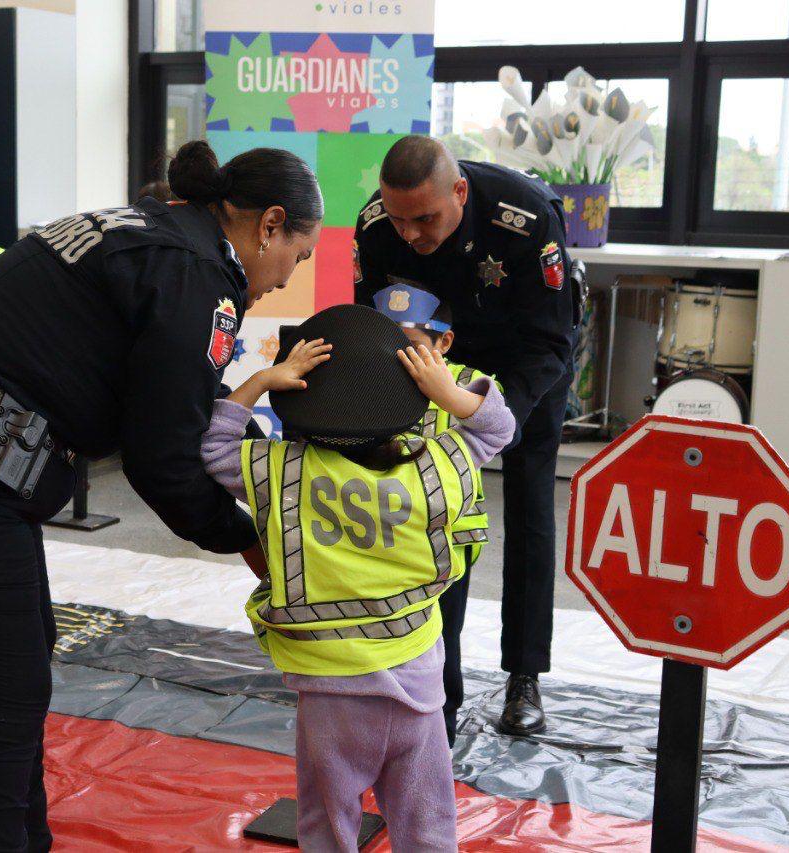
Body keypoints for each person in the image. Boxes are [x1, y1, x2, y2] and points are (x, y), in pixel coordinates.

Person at [0, 140, 323, 851]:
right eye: (297, 258)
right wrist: (250, 539)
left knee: (17, 673)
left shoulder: (146, 227)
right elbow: (165, 462)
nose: (284, 280)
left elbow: (174, 405)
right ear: (269, 224)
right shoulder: (197, 273)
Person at [200, 305, 514, 850]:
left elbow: (214, 445)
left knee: (327, 820)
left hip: (330, 694)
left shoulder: (281, 471)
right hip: (416, 685)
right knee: (427, 820)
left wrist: (259, 379)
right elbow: (497, 428)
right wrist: (447, 391)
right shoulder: (444, 466)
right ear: (410, 404)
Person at [353, 135, 582, 737]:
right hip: (433, 363)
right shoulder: (378, 227)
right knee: (437, 513)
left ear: (459, 192)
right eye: (399, 219)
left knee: (530, 504)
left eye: (424, 219)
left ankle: (524, 675)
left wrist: (492, 420)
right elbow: (372, 328)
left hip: (526, 360)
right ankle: (437, 683)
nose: (409, 235)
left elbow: (552, 342)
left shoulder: (525, 217)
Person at [372, 282, 496, 745]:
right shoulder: (365, 380)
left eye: (414, 348)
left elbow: (495, 421)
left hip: (449, 549)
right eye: (387, 346)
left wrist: (443, 390)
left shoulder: (468, 382)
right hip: (384, 539)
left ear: (444, 342)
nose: (400, 359)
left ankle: (441, 728)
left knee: (442, 637)